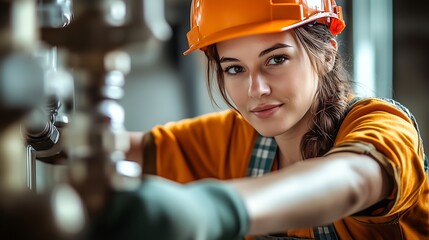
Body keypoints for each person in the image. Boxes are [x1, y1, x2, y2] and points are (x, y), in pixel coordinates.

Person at [126, 0, 429, 239]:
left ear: (327, 55)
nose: (256, 89)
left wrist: (218, 210)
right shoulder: (236, 137)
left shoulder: (383, 124)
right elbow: (122, 151)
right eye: (234, 69)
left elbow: (354, 181)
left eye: (276, 59)